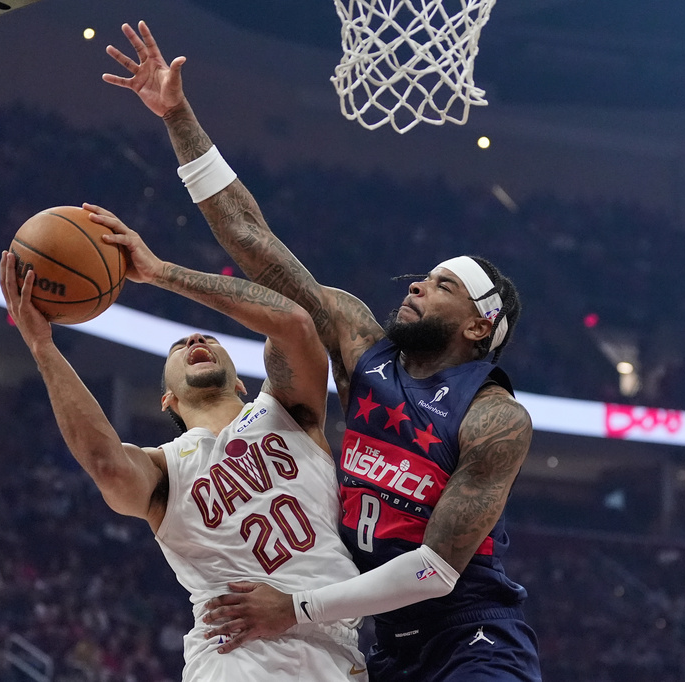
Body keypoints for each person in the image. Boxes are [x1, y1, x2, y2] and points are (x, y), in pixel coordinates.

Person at [103, 22, 543, 681]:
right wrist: (178, 117)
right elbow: (253, 239)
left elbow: (435, 568)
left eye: (443, 283)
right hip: (381, 642)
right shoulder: (361, 346)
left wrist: (296, 607)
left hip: (468, 628)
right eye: (425, 275)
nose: (419, 283)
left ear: (479, 327)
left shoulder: (495, 418)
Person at [0, 203, 368, 681]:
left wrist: (159, 272)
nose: (195, 337)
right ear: (167, 399)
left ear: (240, 382)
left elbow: (296, 322)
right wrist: (43, 348)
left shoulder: (287, 412)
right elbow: (107, 465)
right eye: (178, 347)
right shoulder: (164, 470)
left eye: (210, 340)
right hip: (236, 659)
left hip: (334, 653)